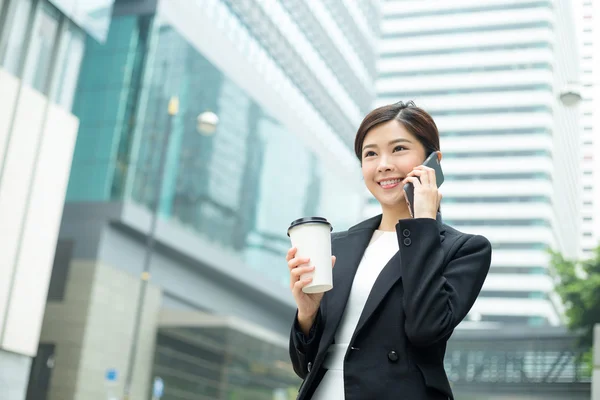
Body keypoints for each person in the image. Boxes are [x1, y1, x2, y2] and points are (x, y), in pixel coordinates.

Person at [286, 101, 492, 400]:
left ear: (433, 160)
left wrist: (423, 222)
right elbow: (304, 365)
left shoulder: (463, 249)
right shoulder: (336, 245)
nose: (383, 164)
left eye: (398, 149)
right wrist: (307, 312)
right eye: (371, 154)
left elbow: (425, 329)